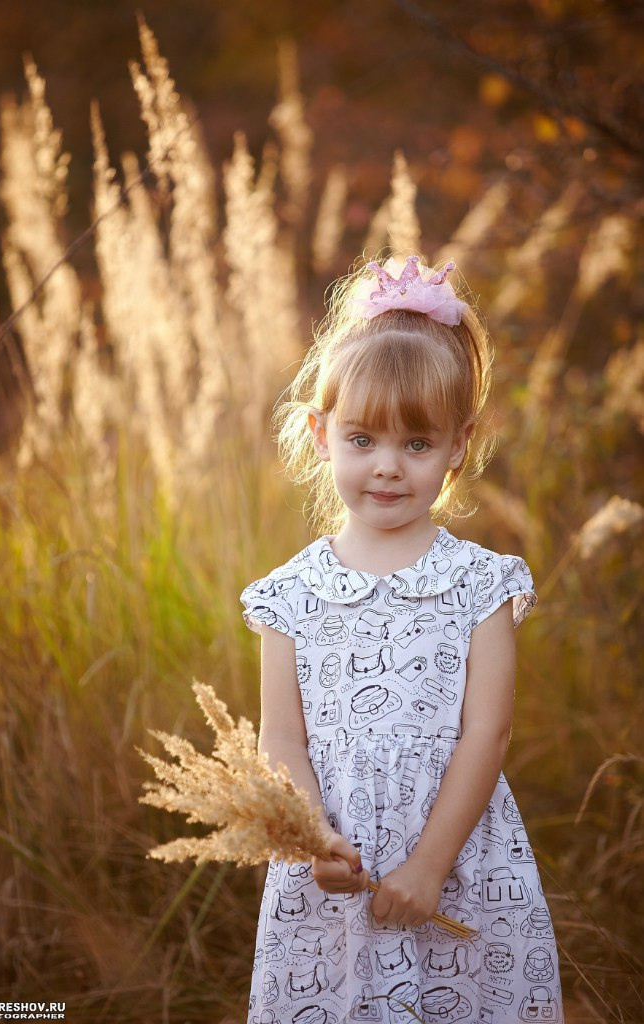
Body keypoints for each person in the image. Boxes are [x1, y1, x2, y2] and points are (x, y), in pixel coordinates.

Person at [240, 254, 563, 1024]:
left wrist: (428, 865)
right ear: (321, 435)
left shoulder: (483, 584)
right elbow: (281, 739)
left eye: (417, 445)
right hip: (333, 875)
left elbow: (488, 733)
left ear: (459, 444)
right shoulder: (289, 595)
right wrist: (314, 839)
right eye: (363, 439)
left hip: (455, 856)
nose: (387, 468)